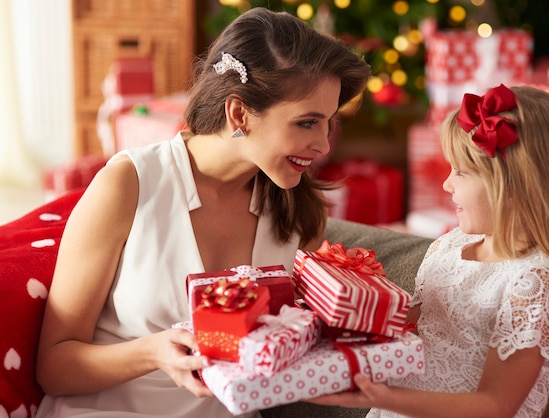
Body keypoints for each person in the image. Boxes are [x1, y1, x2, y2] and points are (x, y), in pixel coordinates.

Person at [35, 7, 370, 418]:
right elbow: (53, 367)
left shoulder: (301, 211)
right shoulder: (128, 183)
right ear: (239, 113)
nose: (323, 145)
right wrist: (152, 352)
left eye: (329, 123)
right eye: (307, 123)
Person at [310, 84, 549, 417]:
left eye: (459, 172)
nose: (446, 185)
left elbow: (495, 406)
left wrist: (383, 397)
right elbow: (413, 323)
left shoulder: (533, 282)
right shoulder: (450, 244)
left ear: (514, 185)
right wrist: (346, 302)